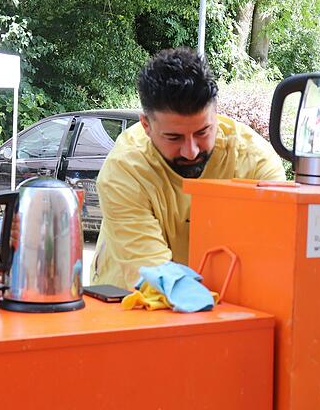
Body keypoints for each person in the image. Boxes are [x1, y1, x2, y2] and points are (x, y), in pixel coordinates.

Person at [90, 47, 286, 288]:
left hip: (225, 304)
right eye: (174, 138)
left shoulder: (256, 162)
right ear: (146, 125)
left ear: (215, 114)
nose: (191, 151)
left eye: (203, 132)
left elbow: (277, 255)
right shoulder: (124, 170)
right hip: (127, 301)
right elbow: (155, 276)